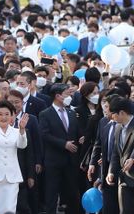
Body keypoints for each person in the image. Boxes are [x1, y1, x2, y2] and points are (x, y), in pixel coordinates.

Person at [39, 84, 80, 214]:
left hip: (70, 160)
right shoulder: (45, 114)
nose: (70, 97)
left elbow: (76, 132)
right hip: (53, 160)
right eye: (67, 94)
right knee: (52, 193)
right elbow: (44, 135)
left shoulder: (72, 113)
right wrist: (64, 144)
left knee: (71, 192)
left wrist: (81, 138)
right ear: (58, 96)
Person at [0, 100, 28, 213]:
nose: (4, 117)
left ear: (12, 116)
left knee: (9, 208)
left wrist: (22, 130)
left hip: (11, 177)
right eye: (0, 114)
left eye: (7, 114)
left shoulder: (16, 131)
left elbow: (22, 145)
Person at [88, 94, 119, 214]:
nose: (104, 110)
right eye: (103, 106)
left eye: (107, 107)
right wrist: (92, 163)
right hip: (105, 168)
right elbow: (98, 143)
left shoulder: (122, 125)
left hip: (119, 170)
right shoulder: (103, 122)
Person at [107, 96, 134, 214]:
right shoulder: (117, 128)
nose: (111, 116)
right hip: (124, 178)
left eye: (113, 113)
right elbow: (116, 152)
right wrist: (111, 171)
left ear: (122, 113)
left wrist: (133, 158)